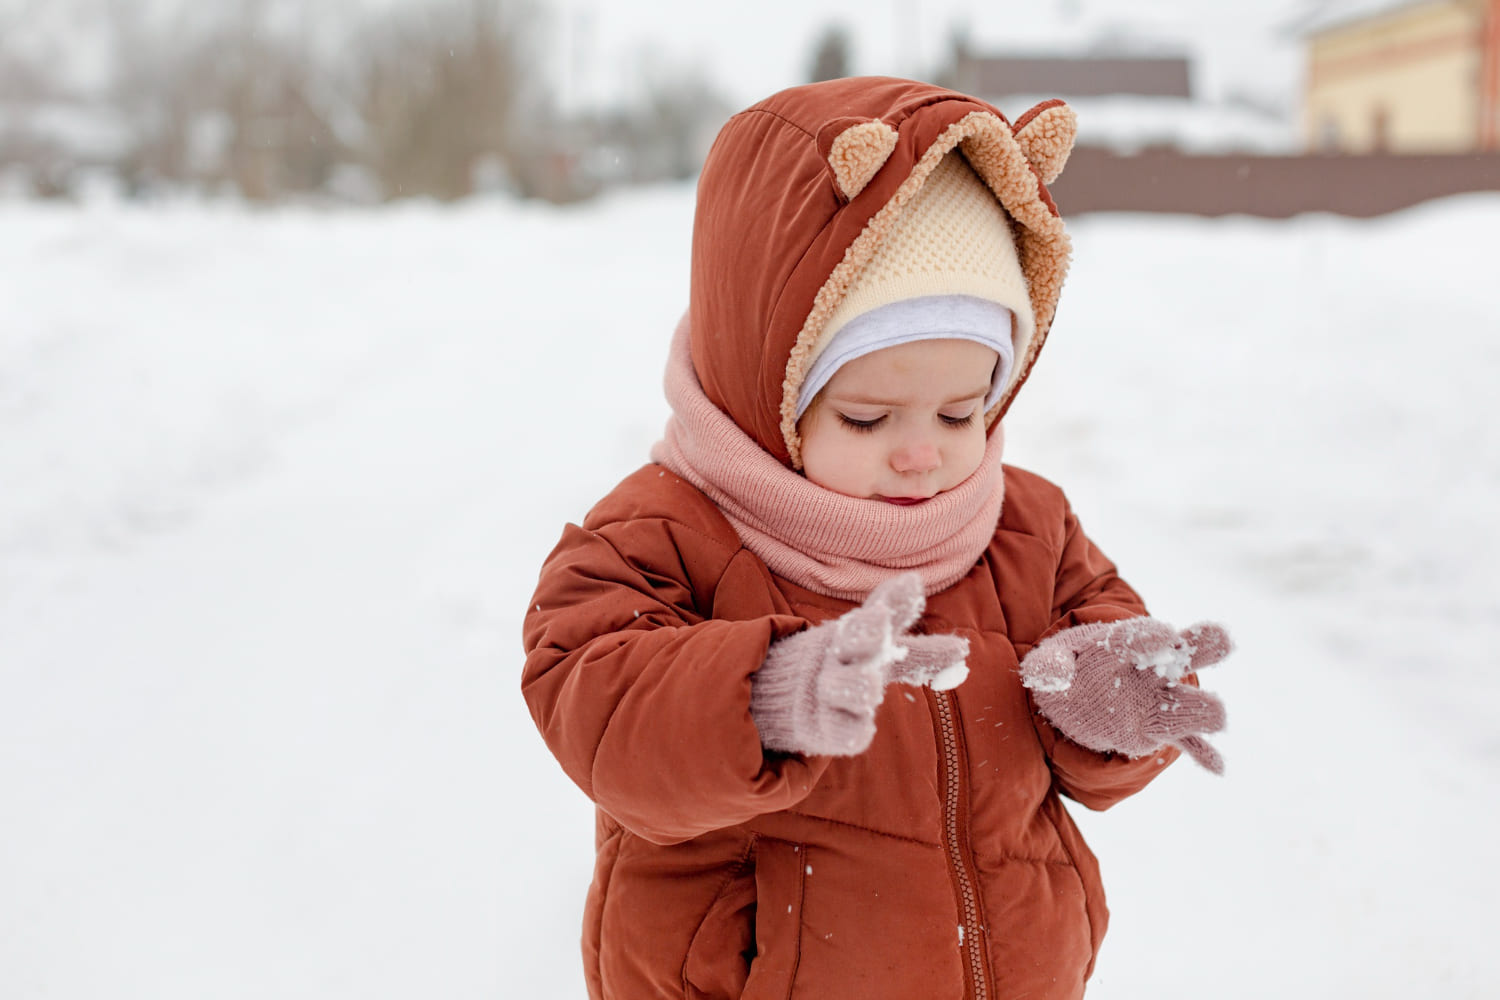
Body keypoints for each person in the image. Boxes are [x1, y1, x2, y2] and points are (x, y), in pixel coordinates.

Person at [521, 76, 1233, 1000]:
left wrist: (1116, 708)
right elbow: (599, 709)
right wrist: (766, 696)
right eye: (866, 417)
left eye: (961, 409)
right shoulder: (660, 534)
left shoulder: (1029, 526)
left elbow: (1096, 668)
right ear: (762, 387)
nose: (922, 457)